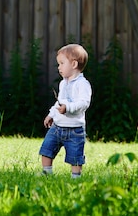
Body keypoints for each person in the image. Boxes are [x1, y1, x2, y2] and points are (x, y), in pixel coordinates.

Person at [39, 43, 92, 178]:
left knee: (75, 156)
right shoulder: (63, 83)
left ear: (74, 65)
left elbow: (83, 103)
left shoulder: (82, 84)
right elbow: (59, 102)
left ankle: (75, 177)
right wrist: (52, 114)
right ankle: (47, 172)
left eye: (62, 63)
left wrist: (68, 108)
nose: (59, 67)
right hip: (57, 127)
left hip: (75, 130)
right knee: (46, 149)